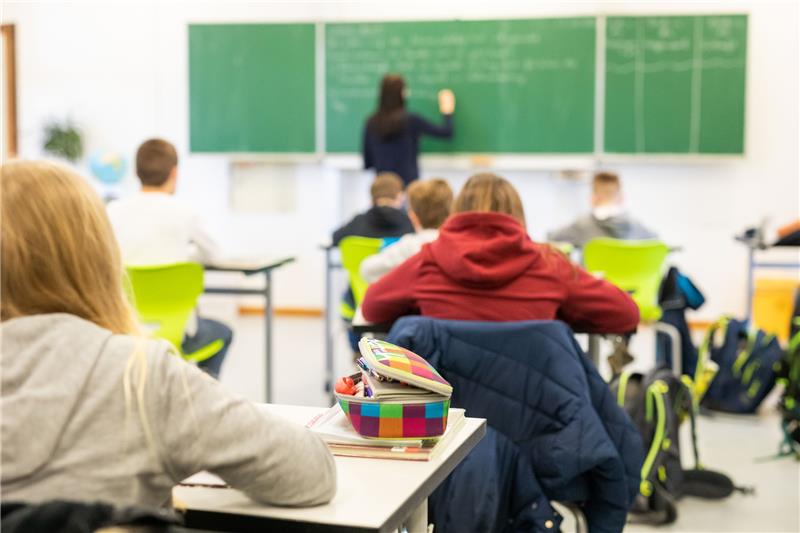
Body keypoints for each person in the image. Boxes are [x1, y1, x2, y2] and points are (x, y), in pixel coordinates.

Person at [0, 160, 336, 508]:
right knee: (219, 334)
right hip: (171, 336)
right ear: (97, 255)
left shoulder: (119, 209)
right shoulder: (141, 377)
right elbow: (314, 473)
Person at [362, 173, 640, 333]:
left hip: (451, 422)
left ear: (457, 212)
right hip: (535, 421)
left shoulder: (428, 261)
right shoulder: (549, 265)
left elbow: (372, 307)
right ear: (518, 214)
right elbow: (626, 314)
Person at [107, 139, 230, 378]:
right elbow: (215, 254)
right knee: (223, 333)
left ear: (135, 173)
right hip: (177, 335)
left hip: (123, 331)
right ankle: (202, 397)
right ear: (175, 173)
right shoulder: (186, 213)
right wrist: (187, 256)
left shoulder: (112, 211)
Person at [363, 74, 455, 186]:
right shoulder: (411, 120)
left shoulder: (371, 122)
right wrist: (447, 109)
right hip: (409, 187)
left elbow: (368, 162)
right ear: (401, 93)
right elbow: (446, 132)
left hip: (383, 187)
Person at [360, 178, 452, 283]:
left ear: (413, 216)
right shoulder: (455, 245)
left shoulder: (409, 246)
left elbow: (367, 270)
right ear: (451, 212)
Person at [548, 171, 657, 247]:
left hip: (596, 279)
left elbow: (552, 237)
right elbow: (656, 241)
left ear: (593, 198)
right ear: (621, 198)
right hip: (634, 280)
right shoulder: (635, 225)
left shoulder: (582, 224)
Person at [331, 172, 414, 245]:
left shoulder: (359, 221)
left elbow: (336, 238)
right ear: (400, 196)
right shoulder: (411, 223)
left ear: (372, 196)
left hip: (364, 263)